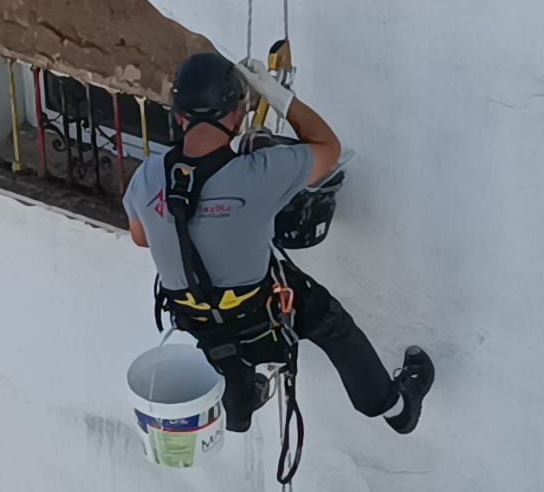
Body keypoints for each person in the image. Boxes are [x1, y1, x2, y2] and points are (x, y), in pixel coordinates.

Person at [122, 49, 435, 434]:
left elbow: (141, 238)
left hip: (194, 318)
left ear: (179, 117)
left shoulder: (148, 176)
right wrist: (277, 96)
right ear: (235, 116)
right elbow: (328, 148)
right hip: (259, 314)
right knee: (331, 323)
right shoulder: (262, 173)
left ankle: (240, 404)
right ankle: (397, 409)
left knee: (222, 318)